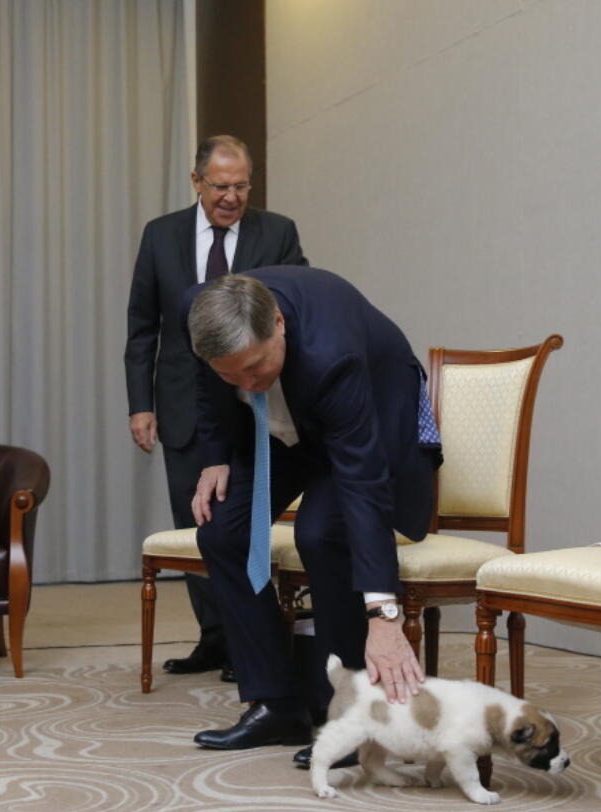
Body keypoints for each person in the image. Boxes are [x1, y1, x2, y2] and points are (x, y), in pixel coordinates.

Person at [183, 268, 442, 766]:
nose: (246, 384)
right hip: (285, 426)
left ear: (278, 323)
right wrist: (215, 453)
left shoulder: (332, 356)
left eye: (255, 369)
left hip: (368, 416)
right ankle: (277, 705)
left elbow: (362, 487)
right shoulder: (197, 311)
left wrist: (383, 616)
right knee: (222, 531)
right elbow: (205, 381)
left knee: (323, 531)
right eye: (230, 375)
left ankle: (353, 717)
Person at [124, 135, 307, 681]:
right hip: (182, 402)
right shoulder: (161, 236)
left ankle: (251, 637)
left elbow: (294, 304)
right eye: (221, 186)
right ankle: (215, 638)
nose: (232, 197)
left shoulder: (277, 232)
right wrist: (140, 405)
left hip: (257, 399)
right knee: (197, 524)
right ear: (197, 182)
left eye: (242, 185)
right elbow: (142, 326)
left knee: (243, 521)